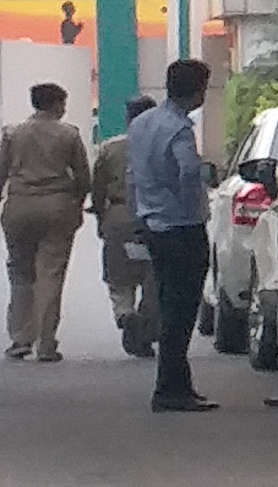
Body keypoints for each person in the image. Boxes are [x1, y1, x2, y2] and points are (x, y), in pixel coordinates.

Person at [127, 58, 216, 411]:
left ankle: (175, 383)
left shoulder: (143, 123)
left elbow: (132, 175)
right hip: (181, 226)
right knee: (183, 309)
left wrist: (140, 214)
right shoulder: (179, 129)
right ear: (197, 91)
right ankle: (171, 387)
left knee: (168, 303)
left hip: (152, 224)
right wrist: (192, 204)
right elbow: (188, 171)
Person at [1, 82, 86, 359]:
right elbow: (83, 176)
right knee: (50, 274)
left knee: (21, 273)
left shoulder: (12, 134)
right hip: (56, 206)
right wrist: (77, 204)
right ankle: (47, 343)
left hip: (19, 206)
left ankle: (21, 338)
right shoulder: (69, 134)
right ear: (56, 104)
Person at [89, 120, 153, 359]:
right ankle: (146, 323)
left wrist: (100, 217)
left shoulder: (110, 148)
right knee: (153, 275)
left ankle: (125, 312)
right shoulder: (164, 143)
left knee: (118, 273)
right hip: (155, 215)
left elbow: (98, 188)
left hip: (119, 214)